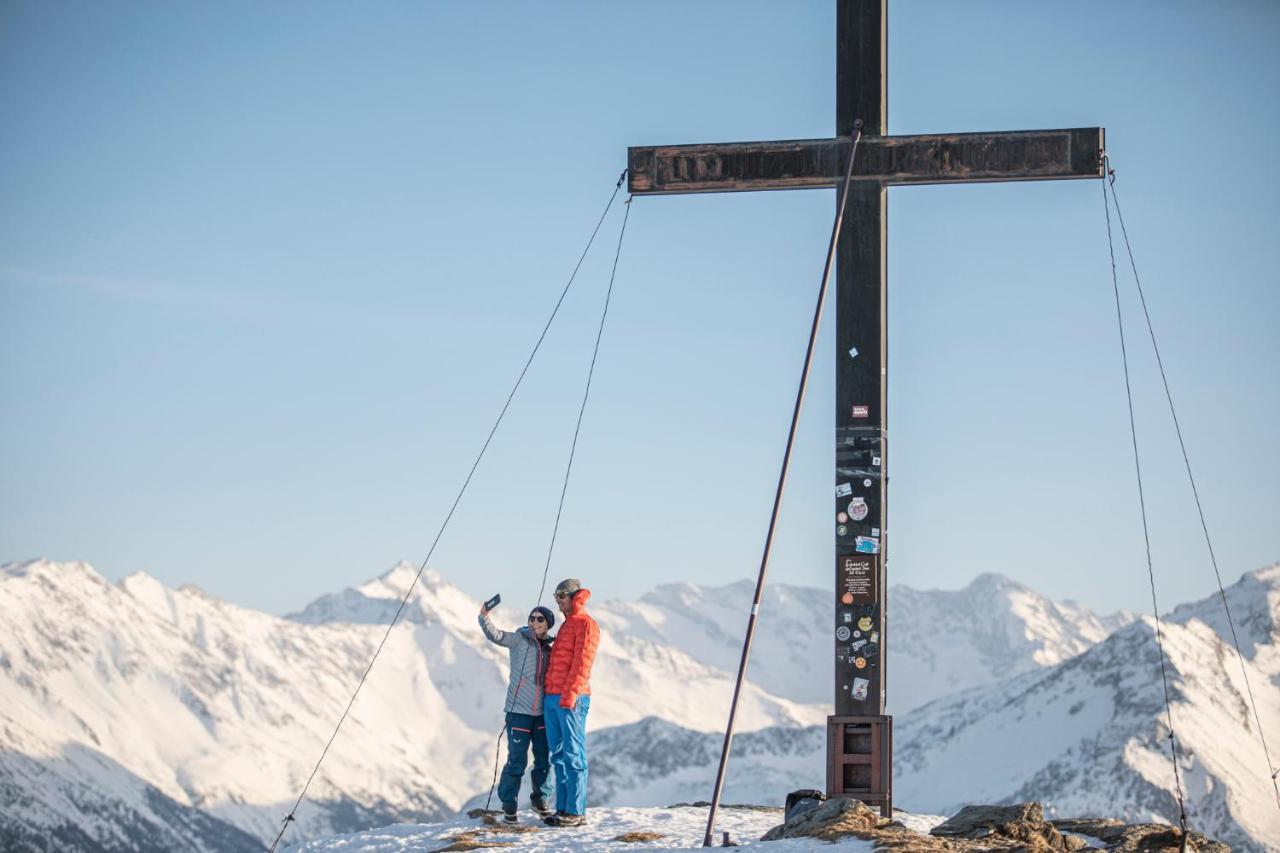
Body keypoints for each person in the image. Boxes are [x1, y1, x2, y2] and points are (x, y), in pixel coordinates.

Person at [478, 599, 557, 824]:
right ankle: (509, 806)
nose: (534, 622)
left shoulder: (551, 649)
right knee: (517, 761)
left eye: (539, 619)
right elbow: (495, 635)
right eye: (531, 618)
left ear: (548, 624)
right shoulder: (519, 639)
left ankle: (540, 800)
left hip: (541, 714)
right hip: (518, 712)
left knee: (543, 760)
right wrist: (484, 616)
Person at [540, 578, 600, 828]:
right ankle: (563, 809)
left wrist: (571, 694)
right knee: (559, 755)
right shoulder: (566, 625)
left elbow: (582, 663)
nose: (557, 600)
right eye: (555, 597)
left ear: (574, 596)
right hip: (552, 698)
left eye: (561, 596)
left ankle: (576, 812)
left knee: (574, 754)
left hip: (571, 699)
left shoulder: (586, 624)